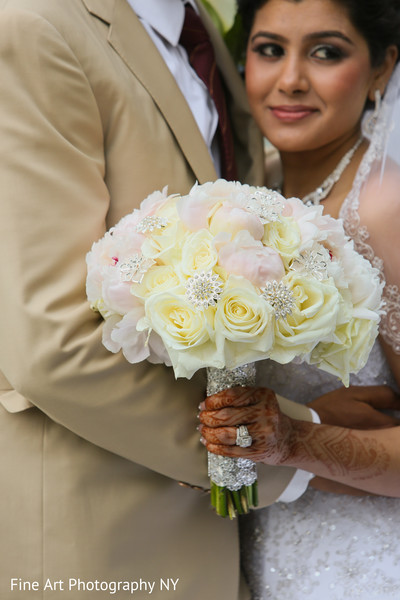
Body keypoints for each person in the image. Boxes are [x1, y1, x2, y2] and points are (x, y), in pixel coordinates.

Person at [0, 1, 326, 598]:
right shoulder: (34, 25)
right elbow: (52, 344)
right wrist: (296, 444)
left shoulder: (196, 25)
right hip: (99, 538)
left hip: (217, 542)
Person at [199, 0, 400, 597]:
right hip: (267, 552)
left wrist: (295, 440)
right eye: (269, 50)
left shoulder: (383, 208)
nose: (289, 78)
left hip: (362, 564)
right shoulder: (250, 195)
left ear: (383, 69)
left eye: (326, 52)